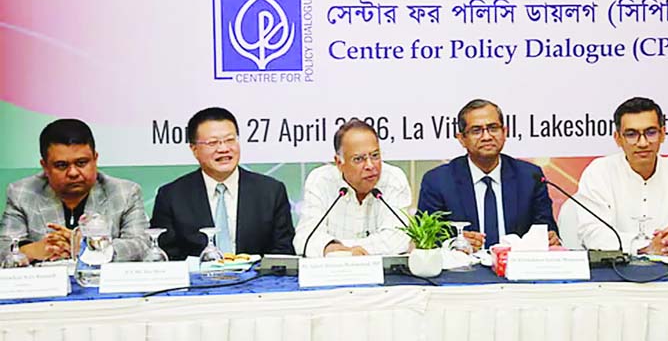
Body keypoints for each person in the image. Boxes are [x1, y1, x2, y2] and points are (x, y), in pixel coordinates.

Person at [575, 97, 668, 255]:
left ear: (663, 134)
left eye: (651, 133)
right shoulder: (599, 172)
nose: (643, 143)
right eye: (631, 134)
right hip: (618, 266)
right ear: (618, 139)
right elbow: (592, 233)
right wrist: (646, 246)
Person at [150, 107, 295, 259]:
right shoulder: (172, 196)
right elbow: (168, 257)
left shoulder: (271, 191)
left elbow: (283, 251)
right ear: (194, 149)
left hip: (255, 274)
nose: (224, 149)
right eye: (213, 143)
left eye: (230, 140)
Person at [418, 99, 558, 251]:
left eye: (493, 128)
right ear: (462, 139)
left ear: (505, 132)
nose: (486, 137)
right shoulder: (438, 181)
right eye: (476, 131)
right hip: (463, 265)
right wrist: (453, 244)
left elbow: (546, 229)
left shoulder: (529, 177)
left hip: (515, 264)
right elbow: (426, 238)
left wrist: (549, 238)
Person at [0, 119, 148, 262]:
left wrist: (89, 246)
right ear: (45, 166)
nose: (73, 173)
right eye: (61, 165)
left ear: (95, 159)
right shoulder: (22, 193)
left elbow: (141, 244)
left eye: (81, 163)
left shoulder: (124, 193)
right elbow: (4, 246)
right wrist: (32, 251)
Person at [294, 118, 412, 257]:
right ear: (339, 163)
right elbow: (305, 238)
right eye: (358, 159)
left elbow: (398, 238)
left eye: (375, 156)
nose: (370, 165)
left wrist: (339, 250)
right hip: (333, 269)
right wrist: (343, 250)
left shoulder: (393, 178)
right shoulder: (320, 181)